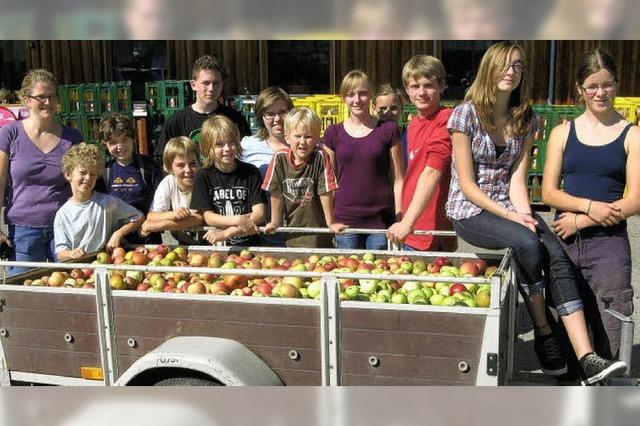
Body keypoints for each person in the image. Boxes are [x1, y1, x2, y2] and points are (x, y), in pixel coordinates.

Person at [446, 41, 626, 384]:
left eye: (518, 66)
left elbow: (517, 178)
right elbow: (467, 185)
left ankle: (586, 357)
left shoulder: (526, 118)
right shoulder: (465, 115)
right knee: (529, 245)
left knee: (555, 252)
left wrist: (525, 214)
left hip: (510, 208)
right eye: (505, 65)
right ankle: (544, 330)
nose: (512, 72)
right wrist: (514, 219)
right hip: (470, 210)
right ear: (489, 68)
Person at [542, 48, 640, 361]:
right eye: (593, 86)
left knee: (611, 327)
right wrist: (588, 206)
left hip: (609, 246)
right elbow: (548, 193)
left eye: (607, 84)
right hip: (565, 242)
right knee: (569, 322)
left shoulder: (632, 135)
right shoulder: (561, 133)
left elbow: (635, 201)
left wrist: (583, 219)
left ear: (616, 84)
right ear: (580, 89)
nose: (601, 92)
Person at [0, 69, 83, 275]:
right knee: (25, 294)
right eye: (41, 97)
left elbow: (85, 182)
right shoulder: (10, 134)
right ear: (26, 100)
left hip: (64, 228)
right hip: (23, 231)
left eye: (51, 96)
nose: (47, 102)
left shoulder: (72, 137)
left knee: (69, 290)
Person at [322, 70, 404, 250]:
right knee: (347, 275)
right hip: (345, 220)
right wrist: (330, 219)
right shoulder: (333, 133)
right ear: (344, 98)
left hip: (381, 219)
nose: (357, 100)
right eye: (351, 94)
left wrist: (399, 217)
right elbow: (328, 180)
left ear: (371, 96)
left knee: (378, 274)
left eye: (363, 93)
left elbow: (398, 178)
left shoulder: (388, 130)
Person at [386, 56, 456, 252]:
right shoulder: (413, 124)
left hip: (431, 229)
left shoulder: (446, 119)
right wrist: (402, 216)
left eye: (428, 85)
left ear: (441, 86)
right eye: (415, 86)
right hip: (410, 224)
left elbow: (432, 173)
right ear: (407, 90)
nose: (421, 92)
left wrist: (407, 222)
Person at [262, 107, 347, 248]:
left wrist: (330, 222)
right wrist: (275, 221)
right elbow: (276, 192)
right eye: (297, 136)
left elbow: (325, 190)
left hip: (319, 234)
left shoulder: (320, 157)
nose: (302, 142)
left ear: (316, 139)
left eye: (308, 137)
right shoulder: (279, 159)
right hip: (293, 233)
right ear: (287, 137)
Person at [54, 144, 144, 261]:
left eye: (92, 174)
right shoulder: (63, 214)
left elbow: (138, 217)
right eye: (82, 173)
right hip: (79, 270)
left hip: (107, 264)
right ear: (68, 174)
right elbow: (60, 252)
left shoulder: (107, 202)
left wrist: (118, 234)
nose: (87, 178)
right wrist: (70, 253)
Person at [154, 55, 251, 162]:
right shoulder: (176, 121)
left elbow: (246, 155)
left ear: (222, 85)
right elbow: (164, 160)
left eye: (216, 83)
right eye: (206, 83)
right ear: (193, 85)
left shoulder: (235, 119)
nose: (211, 89)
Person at [190, 115, 266, 246]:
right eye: (219, 144)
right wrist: (239, 219)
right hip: (214, 247)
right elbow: (209, 217)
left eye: (231, 142)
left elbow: (259, 214)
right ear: (208, 147)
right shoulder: (202, 175)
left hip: (248, 246)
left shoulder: (251, 172)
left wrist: (226, 233)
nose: (227, 149)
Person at [96, 113, 162, 244]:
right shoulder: (105, 171)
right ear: (105, 145)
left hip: (147, 237)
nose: (120, 146)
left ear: (133, 139)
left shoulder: (148, 167)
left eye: (124, 139)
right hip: (116, 240)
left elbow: (160, 202)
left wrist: (150, 224)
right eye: (113, 142)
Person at [240, 86, 294, 246]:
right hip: (264, 234)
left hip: (301, 234)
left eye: (282, 111)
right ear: (261, 116)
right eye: (270, 113)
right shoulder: (248, 145)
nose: (277, 118)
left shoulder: (305, 144)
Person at [141, 136, 212, 245]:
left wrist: (162, 225)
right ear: (170, 168)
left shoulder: (203, 180)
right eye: (180, 165)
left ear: (199, 162)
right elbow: (152, 216)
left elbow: (198, 218)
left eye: (192, 164)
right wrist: (173, 215)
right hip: (184, 242)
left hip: (211, 242)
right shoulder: (168, 182)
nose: (188, 170)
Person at [373, 83, 407, 163]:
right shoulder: (369, 137)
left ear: (401, 108)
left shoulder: (409, 136)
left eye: (393, 108)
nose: (388, 113)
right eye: (383, 108)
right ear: (374, 109)